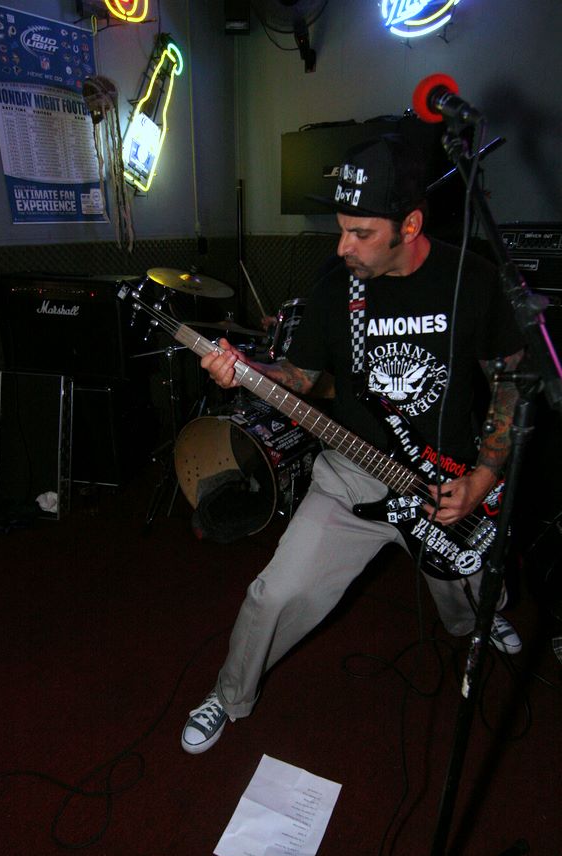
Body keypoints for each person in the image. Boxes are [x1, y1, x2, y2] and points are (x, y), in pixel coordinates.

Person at [181, 133, 525, 754]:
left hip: (448, 484)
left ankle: (479, 619)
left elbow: (508, 381)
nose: (343, 246)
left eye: (360, 233)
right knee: (273, 594)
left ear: (409, 225)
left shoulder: (471, 279)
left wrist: (483, 477)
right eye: (340, 229)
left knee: (473, 588)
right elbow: (302, 378)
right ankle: (229, 696)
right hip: (354, 474)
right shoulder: (337, 288)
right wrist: (248, 371)